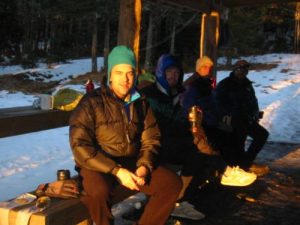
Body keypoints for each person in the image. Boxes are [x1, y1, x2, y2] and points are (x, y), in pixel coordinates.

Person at [69, 45, 182, 225]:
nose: (125, 79)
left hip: (130, 159)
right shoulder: (91, 102)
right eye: (119, 72)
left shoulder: (140, 102)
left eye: (129, 73)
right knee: (98, 192)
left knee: (171, 183)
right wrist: (117, 171)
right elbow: (80, 145)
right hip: (98, 163)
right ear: (110, 76)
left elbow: (151, 138)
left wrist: (144, 165)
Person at [138, 54, 256, 220]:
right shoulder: (149, 93)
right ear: (160, 72)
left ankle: (178, 201)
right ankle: (225, 169)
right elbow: (162, 120)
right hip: (152, 145)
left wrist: (194, 119)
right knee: (197, 148)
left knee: (200, 152)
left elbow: (180, 118)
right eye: (169, 71)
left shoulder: (175, 93)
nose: (173, 75)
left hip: (169, 140)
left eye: (177, 72)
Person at [215, 59, 270, 176]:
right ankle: (240, 165)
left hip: (247, 120)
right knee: (238, 137)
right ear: (234, 69)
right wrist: (233, 114)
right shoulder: (225, 84)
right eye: (239, 68)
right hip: (231, 120)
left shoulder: (247, 85)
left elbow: (253, 102)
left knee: (262, 135)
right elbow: (218, 104)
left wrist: (255, 114)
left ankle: (247, 160)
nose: (241, 71)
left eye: (244, 69)